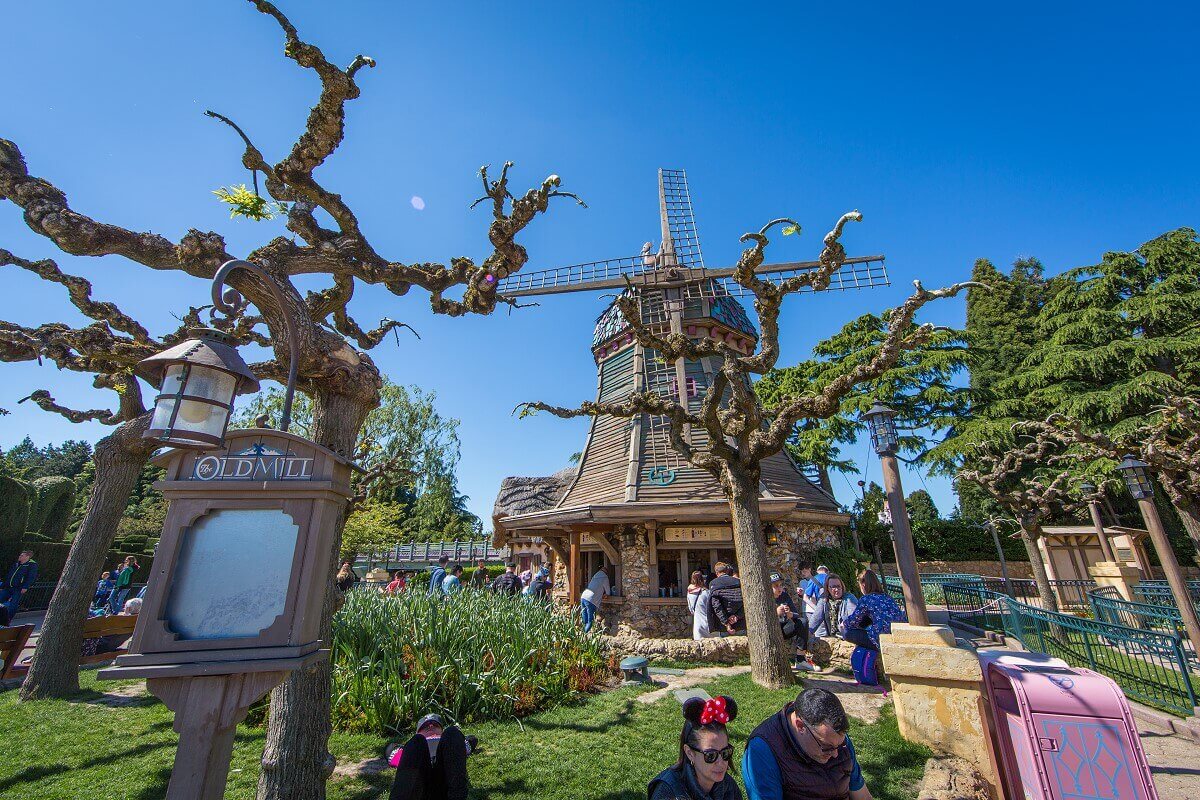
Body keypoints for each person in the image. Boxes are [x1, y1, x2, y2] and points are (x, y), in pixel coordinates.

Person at [742, 687, 873, 800]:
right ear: (800, 726)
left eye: (840, 745)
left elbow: (862, 795)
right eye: (826, 748)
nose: (835, 754)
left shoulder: (834, 739)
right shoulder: (762, 750)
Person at [649, 695, 743, 800]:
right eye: (711, 755)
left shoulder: (728, 787)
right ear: (689, 753)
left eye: (725, 753)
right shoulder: (669, 793)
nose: (721, 762)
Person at [387, 713, 477, 800]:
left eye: (435, 725)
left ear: (442, 731)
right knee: (417, 741)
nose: (430, 726)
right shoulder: (414, 745)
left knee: (452, 731)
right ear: (417, 732)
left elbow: (472, 739)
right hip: (420, 787)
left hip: (447, 785)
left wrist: (453, 739)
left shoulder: (449, 742)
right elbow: (391, 750)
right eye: (425, 726)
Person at [841, 570, 906, 688]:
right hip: (894, 636)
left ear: (864, 584)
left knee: (847, 632)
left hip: (878, 640)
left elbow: (854, 620)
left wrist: (843, 624)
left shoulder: (867, 599)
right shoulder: (887, 597)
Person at [771, 573, 813, 672]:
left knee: (802, 622)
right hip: (770, 630)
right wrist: (775, 613)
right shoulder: (765, 597)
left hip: (783, 628)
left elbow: (796, 615)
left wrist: (790, 614)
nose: (779, 588)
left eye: (781, 585)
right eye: (776, 586)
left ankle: (800, 659)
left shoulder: (784, 596)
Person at [808, 573, 858, 639]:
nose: (836, 589)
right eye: (833, 587)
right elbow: (815, 620)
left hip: (848, 638)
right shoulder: (824, 600)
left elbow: (854, 618)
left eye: (838, 586)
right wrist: (806, 634)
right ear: (827, 588)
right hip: (833, 637)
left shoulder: (849, 598)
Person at [708, 563, 745, 636]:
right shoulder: (739, 582)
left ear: (717, 573)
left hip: (723, 626)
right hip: (740, 623)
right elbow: (745, 602)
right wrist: (737, 616)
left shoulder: (714, 583)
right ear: (727, 571)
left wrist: (726, 623)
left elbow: (717, 606)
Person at [0, 550, 38, 620]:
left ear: (27, 557)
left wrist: (25, 587)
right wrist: (3, 586)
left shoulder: (31, 566)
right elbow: (9, 575)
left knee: (13, 605)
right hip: (8, 587)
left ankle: (7, 620)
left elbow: (31, 577)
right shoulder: (16, 564)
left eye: (22, 555)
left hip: (18, 589)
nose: (19, 556)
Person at [579, 565, 610, 633]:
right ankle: (584, 635)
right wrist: (605, 595)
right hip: (591, 599)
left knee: (585, 619)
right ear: (606, 572)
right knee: (590, 621)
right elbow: (608, 591)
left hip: (584, 596)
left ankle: (580, 636)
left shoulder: (595, 576)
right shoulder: (605, 577)